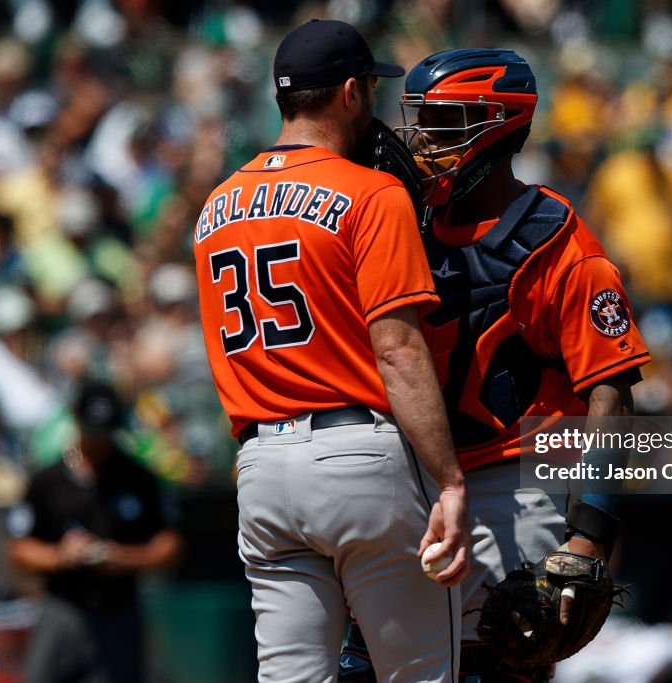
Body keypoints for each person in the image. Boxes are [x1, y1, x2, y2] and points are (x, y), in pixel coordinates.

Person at [342, 48, 652, 683]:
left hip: (512, 482)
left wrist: (589, 533)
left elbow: (612, 396)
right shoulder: (399, 220)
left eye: (447, 124)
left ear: (500, 123)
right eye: (420, 122)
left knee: (494, 667)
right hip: (409, 484)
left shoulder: (556, 239)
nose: (423, 141)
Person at [192, 19, 470, 683]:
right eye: (371, 89)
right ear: (351, 92)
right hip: (359, 456)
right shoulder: (371, 192)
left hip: (259, 466)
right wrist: (452, 480)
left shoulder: (214, 207)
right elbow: (398, 350)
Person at [6, 381, 182, 683]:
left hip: (120, 609)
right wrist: (61, 555)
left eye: (106, 432)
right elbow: (19, 548)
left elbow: (170, 545)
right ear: (75, 419)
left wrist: (123, 558)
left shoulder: (139, 479)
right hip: (63, 609)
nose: (100, 441)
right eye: (93, 431)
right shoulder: (48, 481)